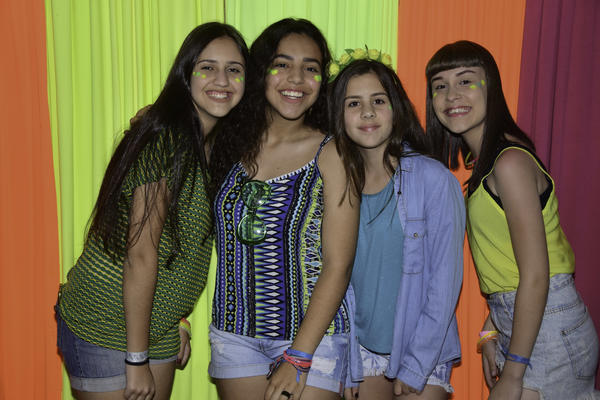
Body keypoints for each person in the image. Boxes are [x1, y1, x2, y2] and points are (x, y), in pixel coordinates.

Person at [56, 22, 248, 400]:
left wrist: (177, 318)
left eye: (234, 69)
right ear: (186, 74)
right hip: (104, 322)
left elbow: (185, 248)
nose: (222, 80)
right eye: (207, 67)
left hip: (155, 325)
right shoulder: (166, 140)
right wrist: (136, 358)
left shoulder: (216, 147)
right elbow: (141, 254)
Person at [426, 40, 599, 400]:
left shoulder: (509, 163)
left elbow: (536, 273)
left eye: (466, 80)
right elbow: (510, 267)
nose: (451, 95)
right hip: (527, 322)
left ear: (491, 86)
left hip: (549, 329)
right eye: (440, 85)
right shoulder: (487, 165)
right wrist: (491, 329)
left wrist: (514, 372)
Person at [208, 18, 359, 400]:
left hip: (312, 339)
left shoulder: (333, 153)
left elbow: (338, 264)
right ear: (261, 71)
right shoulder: (226, 144)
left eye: (311, 68)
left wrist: (299, 356)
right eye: (282, 64)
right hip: (234, 336)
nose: (297, 79)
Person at [328, 58, 464, 399]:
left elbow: (445, 282)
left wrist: (416, 364)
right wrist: (346, 360)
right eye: (353, 103)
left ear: (396, 108)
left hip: (424, 347)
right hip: (361, 351)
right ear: (339, 115)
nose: (367, 112)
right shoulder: (333, 185)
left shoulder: (433, 179)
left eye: (378, 100)